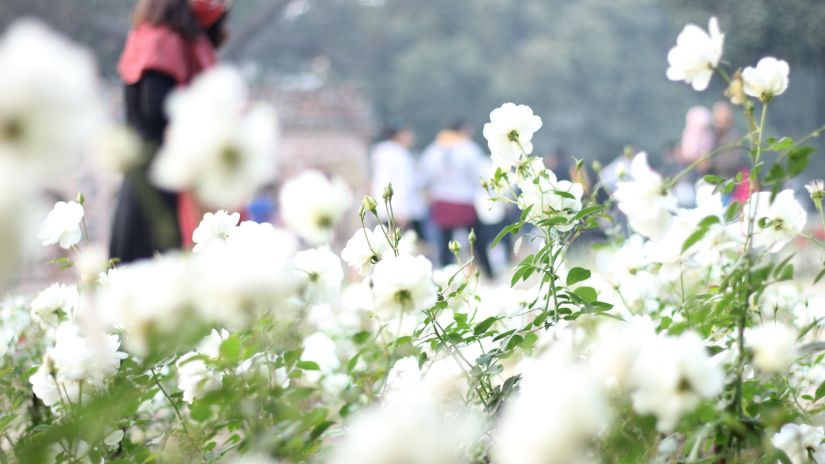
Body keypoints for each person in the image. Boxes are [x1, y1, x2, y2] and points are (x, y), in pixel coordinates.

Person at [110, 0, 229, 263]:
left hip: (159, 177)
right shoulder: (162, 40)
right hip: (158, 181)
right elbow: (156, 106)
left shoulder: (157, 36)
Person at [421, 121, 492, 278]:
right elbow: (478, 175)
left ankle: (445, 274)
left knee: (445, 242)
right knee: (477, 240)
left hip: (442, 200)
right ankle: (489, 272)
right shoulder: (468, 148)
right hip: (464, 199)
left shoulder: (434, 149)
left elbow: (425, 175)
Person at [369, 125, 426, 236]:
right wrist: (403, 211)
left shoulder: (380, 152)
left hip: (383, 208)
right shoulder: (400, 155)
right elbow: (404, 183)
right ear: (399, 135)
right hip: (400, 211)